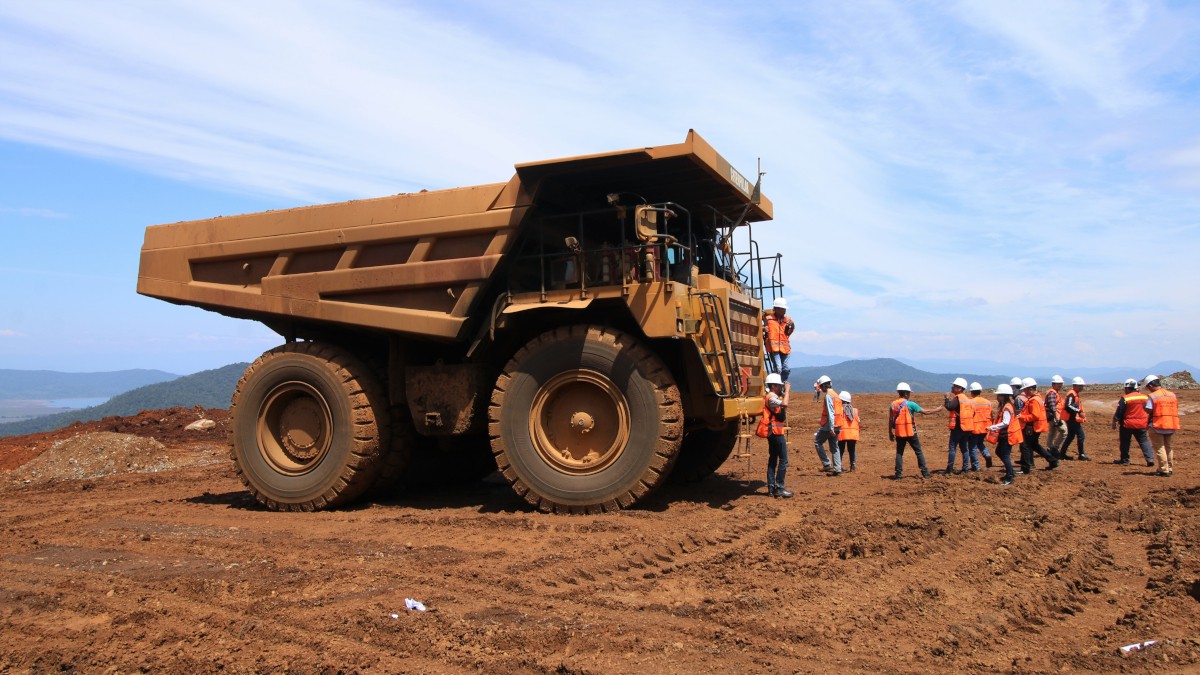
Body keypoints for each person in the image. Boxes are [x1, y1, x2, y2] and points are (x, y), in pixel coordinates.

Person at [756, 372, 793, 498]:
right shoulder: (771, 397)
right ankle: (780, 488)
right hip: (776, 434)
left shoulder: (772, 396)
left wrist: (783, 394)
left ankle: (771, 488)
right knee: (783, 460)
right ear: (772, 386)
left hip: (773, 433)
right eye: (779, 386)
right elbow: (785, 404)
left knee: (773, 460)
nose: (781, 388)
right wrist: (787, 391)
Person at [889, 382, 936, 479]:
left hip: (899, 433)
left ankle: (898, 474)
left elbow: (890, 420)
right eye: (909, 393)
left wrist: (890, 432)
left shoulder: (893, 404)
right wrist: (938, 409)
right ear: (906, 393)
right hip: (911, 432)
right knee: (918, 451)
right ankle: (925, 472)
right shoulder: (911, 404)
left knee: (899, 453)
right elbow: (926, 412)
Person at [1017, 377, 1059, 472]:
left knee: (1025, 446)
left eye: (1025, 389)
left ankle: (1026, 468)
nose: (1024, 392)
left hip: (1033, 426)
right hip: (1038, 426)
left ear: (1031, 389)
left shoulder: (1034, 400)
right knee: (1035, 445)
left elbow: (1034, 416)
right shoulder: (1038, 398)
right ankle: (1053, 460)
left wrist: (1021, 417)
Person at [1111, 378, 1155, 466]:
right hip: (1142, 424)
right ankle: (1150, 459)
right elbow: (1151, 410)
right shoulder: (1145, 397)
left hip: (1127, 424)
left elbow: (1120, 411)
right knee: (1144, 441)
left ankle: (1125, 460)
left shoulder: (1125, 398)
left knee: (1125, 442)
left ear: (1127, 388)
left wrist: (1115, 421)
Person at [986, 384, 1023, 485]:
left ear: (1003, 396)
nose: (997, 397)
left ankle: (1010, 476)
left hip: (1008, 435)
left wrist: (992, 427)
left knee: (1005, 455)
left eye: (998, 395)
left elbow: (1006, 422)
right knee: (999, 452)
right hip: (1006, 435)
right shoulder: (1007, 406)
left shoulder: (1007, 407)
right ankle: (1010, 472)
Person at [1144, 375, 1180, 477]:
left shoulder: (1153, 396)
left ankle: (1164, 470)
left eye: (1148, 387)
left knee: (1160, 448)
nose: (1148, 389)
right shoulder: (1172, 395)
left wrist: (1144, 407)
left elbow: (1149, 410)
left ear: (1151, 385)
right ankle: (1170, 467)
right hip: (1171, 423)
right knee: (1168, 447)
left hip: (1158, 424)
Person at [813, 375, 845, 476]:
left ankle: (827, 463)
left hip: (829, 425)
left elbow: (831, 412)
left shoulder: (828, 395)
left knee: (817, 442)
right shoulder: (836, 395)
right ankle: (837, 469)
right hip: (838, 424)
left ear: (824, 386)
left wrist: (831, 427)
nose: (821, 388)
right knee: (835, 447)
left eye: (821, 386)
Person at [943, 377, 974, 474]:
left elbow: (949, 407)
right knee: (964, 448)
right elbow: (973, 413)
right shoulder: (967, 400)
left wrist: (946, 399)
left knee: (952, 447)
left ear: (960, 388)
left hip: (958, 427)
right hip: (966, 427)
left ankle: (949, 469)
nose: (952, 388)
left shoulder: (958, 398)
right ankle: (965, 468)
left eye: (954, 386)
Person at [762, 297, 795, 383]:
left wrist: (792, 325)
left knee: (786, 369)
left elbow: (789, 332)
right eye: (783, 309)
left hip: (785, 348)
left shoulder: (787, 320)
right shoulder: (768, 319)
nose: (784, 311)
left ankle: (781, 384)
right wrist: (763, 328)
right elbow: (759, 327)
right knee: (778, 368)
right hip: (774, 348)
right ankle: (776, 384)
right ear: (776, 309)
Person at [1059, 377, 1091, 461]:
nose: (1081, 387)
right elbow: (1068, 406)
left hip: (1072, 418)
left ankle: (1062, 454)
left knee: (1070, 436)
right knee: (1081, 436)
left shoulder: (1074, 393)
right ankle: (1081, 454)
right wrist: (1079, 411)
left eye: (1081, 386)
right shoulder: (1071, 394)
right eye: (1079, 386)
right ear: (1074, 385)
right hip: (1071, 419)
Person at [968, 382, 994, 470]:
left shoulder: (970, 402)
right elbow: (991, 415)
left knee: (972, 447)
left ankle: (975, 466)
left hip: (975, 428)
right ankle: (987, 454)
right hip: (986, 427)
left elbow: (968, 415)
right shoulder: (988, 402)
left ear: (971, 392)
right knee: (980, 443)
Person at [1045, 375, 1068, 457]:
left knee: (1053, 432)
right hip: (1055, 415)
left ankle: (1049, 448)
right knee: (1064, 432)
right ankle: (1054, 448)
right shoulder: (1052, 393)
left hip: (1053, 416)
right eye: (1058, 384)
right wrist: (1056, 416)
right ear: (1053, 384)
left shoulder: (1054, 392)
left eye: (1061, 384)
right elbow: (1052, 406)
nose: (1060, 385)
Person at [837, 390, 859, 472]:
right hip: (853, 434)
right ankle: (852, 465)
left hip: (843, 433)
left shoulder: (839, 410)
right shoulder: (854, 410)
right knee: (852, 450)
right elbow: (858, 421)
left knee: (840, 450)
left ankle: (838, 465)